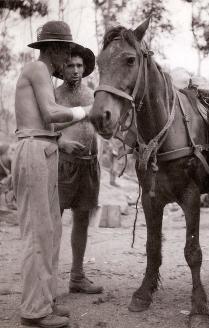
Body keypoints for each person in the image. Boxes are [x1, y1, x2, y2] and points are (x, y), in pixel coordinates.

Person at [12, 21, 88, 328]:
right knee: (39, 233)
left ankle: (45, 300)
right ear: (55, 49)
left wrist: (62, 142)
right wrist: (88, 110)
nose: (67, 59)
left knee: (52, 231)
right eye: (66, 51)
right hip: (32, 152)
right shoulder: (38, 70)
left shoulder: (41, 73)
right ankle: (34, 311)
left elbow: (46, 125)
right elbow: (50, 114)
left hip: (43, 149)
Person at [54, 45, 103, 294]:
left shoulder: (93, 95)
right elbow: (42, 127)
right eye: (70, 65)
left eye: (79, 66)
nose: (75, 70)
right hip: (63, 166)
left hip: (90, 166)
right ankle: (47, 281)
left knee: (82, 221)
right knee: (54, 222)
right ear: (61, 68)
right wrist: (61, 142)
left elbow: (104, 125)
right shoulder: (53, 95)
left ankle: (77, 277)